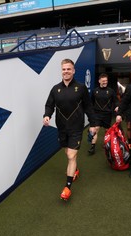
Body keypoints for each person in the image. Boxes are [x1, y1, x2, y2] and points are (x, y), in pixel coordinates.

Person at [43, 58, 97, 201]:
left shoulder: (81, 88)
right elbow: (49, 105)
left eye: (68, 69)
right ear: (61, 71)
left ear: (73, 71)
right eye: (64, 69)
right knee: (67, 152)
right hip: (61, 128)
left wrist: (93, 123)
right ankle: (76, 170)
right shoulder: (55, 89)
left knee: (71, 156)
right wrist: (47, 115)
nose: (66, 71)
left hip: (76, 128)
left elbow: (88, 107)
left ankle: (67, 187)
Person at [88, 73, 119, 155]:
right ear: (99, 81)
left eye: (106, 81)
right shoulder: (95, 91)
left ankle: (106, 143)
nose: (105, 82)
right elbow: (91, 102)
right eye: (103, 81)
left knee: (107, 131)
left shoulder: (111, 91)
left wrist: (117, 106)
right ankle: (92, 147)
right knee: (96, 129)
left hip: (107, 114)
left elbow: (116, 101)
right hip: (97, 114)